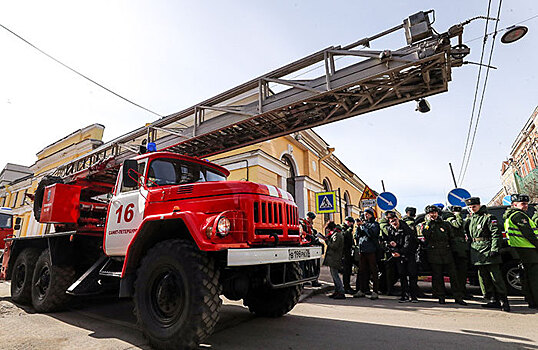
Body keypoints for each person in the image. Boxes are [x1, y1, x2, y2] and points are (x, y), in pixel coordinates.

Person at [464, 197, 509, 311]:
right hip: (477, 252)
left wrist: (494, 248)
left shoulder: (488, 218)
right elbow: (469, 236)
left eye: (474, 207)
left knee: (495, 277)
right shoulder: (470, 219)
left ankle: (504, 300)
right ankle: (492, 299)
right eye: (470, 207)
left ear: (479, 205)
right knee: (483, 277)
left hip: (488, 250)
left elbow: (496, 234)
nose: (472, 209)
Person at [420, 205, 466, 305]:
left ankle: (458, 297)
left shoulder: (445, 224)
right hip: (434, 253)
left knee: (453, 276)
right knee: (438, 277)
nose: (433, 215)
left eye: (435, 213)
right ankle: (441, 297)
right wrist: (428, 222)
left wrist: (455, 251)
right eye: (431, 213)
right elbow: (426, 235)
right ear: (428, 215)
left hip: (447, 252)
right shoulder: (426, 225)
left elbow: (451, 237)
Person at [504, 194, 538, 309]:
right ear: (514, 205)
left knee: (527, 278)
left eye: (526, 204)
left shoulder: (511, 216)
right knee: (534, 278)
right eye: (523, 204)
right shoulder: (519, 216)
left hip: (522, 250)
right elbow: (529, 234)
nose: (526, 206)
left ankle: (531, 301)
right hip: (528, 250)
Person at [385, 211, 419, 302]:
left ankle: (414, 296)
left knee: (412, 276)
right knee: (402, 275)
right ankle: (404, 295)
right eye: (392, 221)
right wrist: (392, 249)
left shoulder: (406, 229)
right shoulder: (390, 230)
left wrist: (399, 252)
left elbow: (408, 244)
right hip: (399, 256)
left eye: (395, 220)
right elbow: (388, 242)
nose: (394, 223)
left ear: (398, 219)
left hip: (409, 255)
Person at [354, 207, 380, 300]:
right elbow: (357, 236)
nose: (366, 216)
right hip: (362, 250)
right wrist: (358, 227)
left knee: (373, 271)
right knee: (361, 271)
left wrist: (363, 226)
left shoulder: (375, 224)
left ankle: (375, 291)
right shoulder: (363, 224)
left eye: (367, 214)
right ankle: (362, 290)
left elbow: (371, 234)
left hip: (371, 250)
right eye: (365, 214)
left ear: (371, 215)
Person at [445, 205, 470, 298]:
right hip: (455, 250)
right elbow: (458, 224)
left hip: (462, 250)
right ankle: (458, 292)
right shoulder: (450, 220)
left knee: (462, 273)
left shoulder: (460, 219)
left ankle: (462, 291)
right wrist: (458, 215)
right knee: (456, 274)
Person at [323, 221, 345, 299]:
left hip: (334, 258)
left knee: (335, 275)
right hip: (334, 257)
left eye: (328, 229)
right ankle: (337, 291)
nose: (328, 231)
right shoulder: (336, 234)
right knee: (334, 275)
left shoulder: (337, 235)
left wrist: (327, 241)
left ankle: (341, 291)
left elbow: (334, 246)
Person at [299, 212, 322, 287]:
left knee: (310, 265)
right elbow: (303, 233)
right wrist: (311, 236)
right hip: (305, 246)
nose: (312, 221)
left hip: (309, 246)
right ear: (308, 217)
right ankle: (311, 281)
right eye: (311, 219)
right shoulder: (302, 224)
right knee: (309, 265)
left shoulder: (308, 225)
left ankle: (310, 280)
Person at [379, 210, 398, 295]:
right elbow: (389, 232)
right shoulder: (384, 225)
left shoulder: (385, 224)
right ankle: (388, 290)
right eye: (391, 217)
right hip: (386, 251)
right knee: (389, 271)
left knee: (390, 271)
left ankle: (386, 288)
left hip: (389, 250)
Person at [341, 216, 356, 294]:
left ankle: (347, 286)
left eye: (351, 223)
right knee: (346, 271)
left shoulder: (348, 230)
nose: (350, 224)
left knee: (348, 271)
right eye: (349, 222)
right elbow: (344, 238)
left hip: (348, 253)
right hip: (344, 253)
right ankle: (346, 287)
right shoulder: (343, 229)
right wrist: (349, 230)